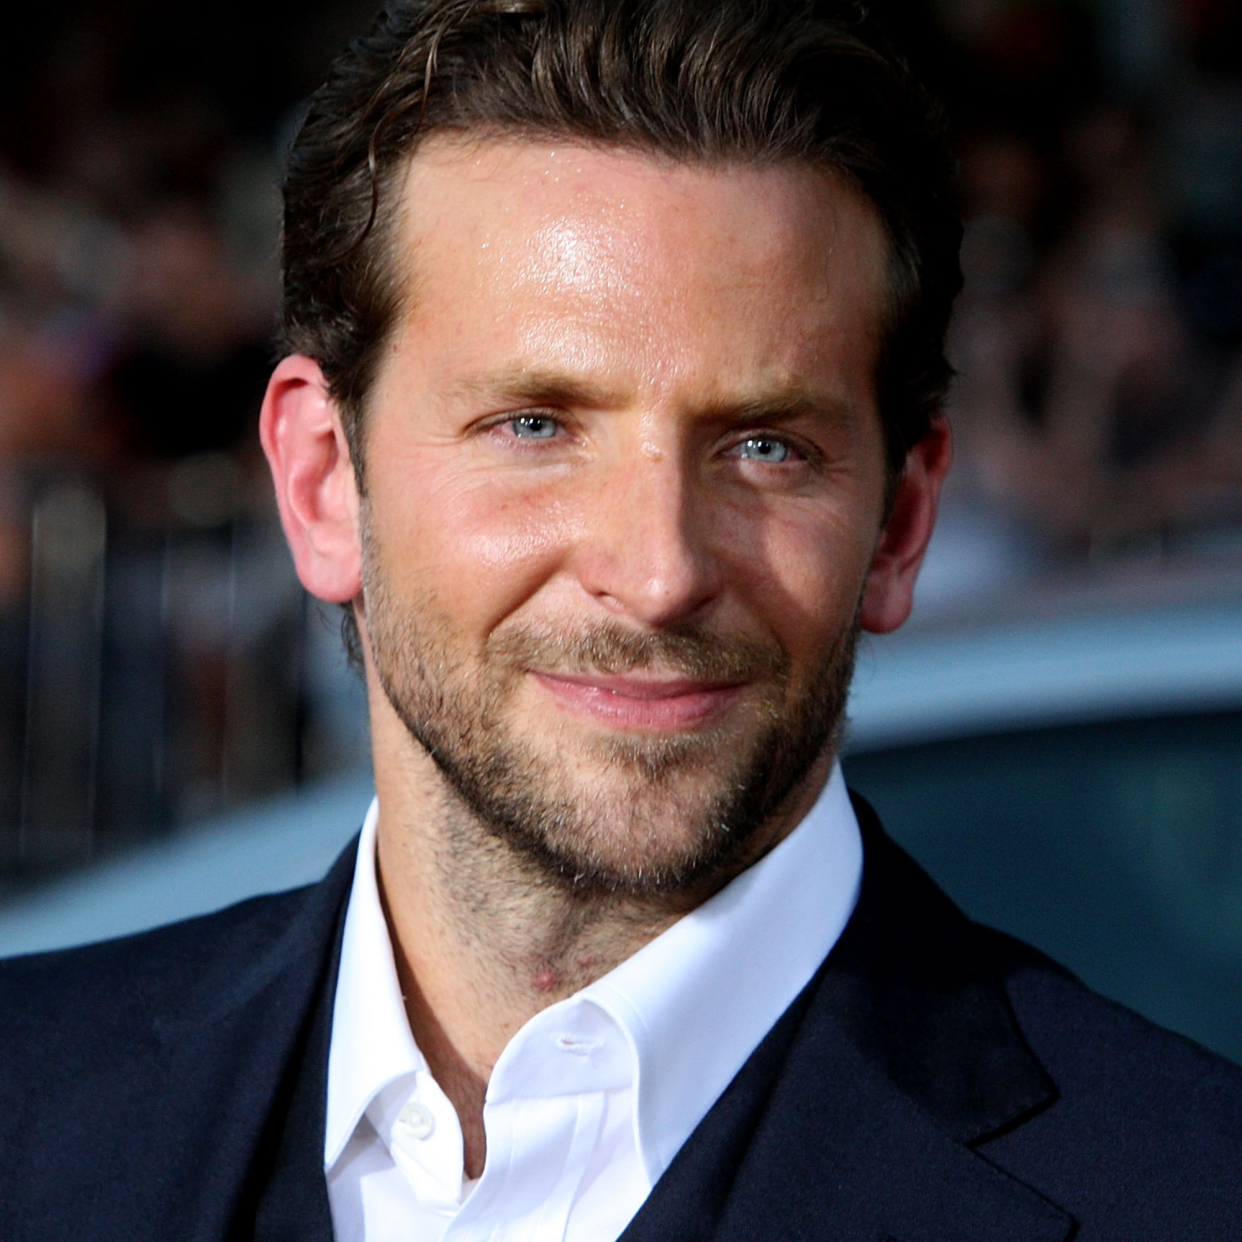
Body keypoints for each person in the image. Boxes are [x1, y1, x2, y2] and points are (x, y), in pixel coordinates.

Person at [2, 2, 1240, 1239]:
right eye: (535, 426)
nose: (657, 573)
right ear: (323, 480)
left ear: (902, 522)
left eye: (767, 446)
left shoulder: (1185, 1194)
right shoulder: (30, 1103)